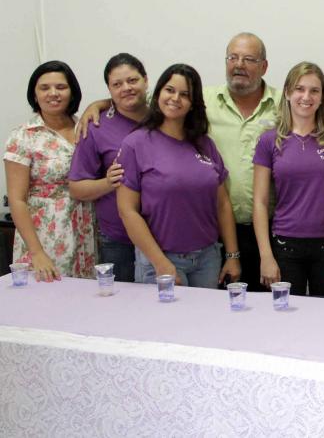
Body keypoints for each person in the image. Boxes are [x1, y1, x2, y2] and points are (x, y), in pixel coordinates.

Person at [81, 32, 324, 292]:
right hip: (215, 233)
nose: (239, 65)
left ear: (264, 66)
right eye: (233, 57)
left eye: (249, 59)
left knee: (256, 314)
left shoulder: (284, 101)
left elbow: (310, 110)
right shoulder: (202, 99)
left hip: (267, 230)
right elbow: (144, 99)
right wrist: (100, 104)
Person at [117, 64, 240, 288]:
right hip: (160, 260)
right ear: (158, 93)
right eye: (170, 90)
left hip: (207, 259)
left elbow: (222, 203)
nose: (176, 98)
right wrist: (160, 262)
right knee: (162, 323)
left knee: (205, 322)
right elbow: (127, 211)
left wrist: (232, 256)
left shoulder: (205, 144)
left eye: (185, 94)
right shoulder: (136, 144)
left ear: (193, 104)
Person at [252, 62, 324, 297]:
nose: (306, 96)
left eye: (314, 91)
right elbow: (259, 202)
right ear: (288, 93)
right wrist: (266, 256)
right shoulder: (268, 141)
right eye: (299, 89)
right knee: (287, 320)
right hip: (285, 246)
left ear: (322, 98)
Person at [4, 61, 96, 281]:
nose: (53, 93)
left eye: (61, 87)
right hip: (44, 238)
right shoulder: (23, 136)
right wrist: (36, 252)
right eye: (44, 88)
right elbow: (17, 200)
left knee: (86, 305)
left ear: (72, 92)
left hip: (86, 231)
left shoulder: (85, 128)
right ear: (34, 95)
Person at [69, 53, 149, 282]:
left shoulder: (165, 119)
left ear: (146, 80)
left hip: (164, 237)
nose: (126, 88)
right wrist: (107, 182)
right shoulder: (95, 127)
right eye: (117, 84)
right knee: (122, 310)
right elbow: (76, 188)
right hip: (119, 240)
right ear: (109, 89)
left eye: (132, 80)